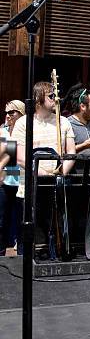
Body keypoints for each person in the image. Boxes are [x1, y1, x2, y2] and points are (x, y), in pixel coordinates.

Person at [12, 81, 76, 253]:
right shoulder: (24, 123)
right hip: (29, 186)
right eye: (51, 96)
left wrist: (61, 172)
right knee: (29, 233)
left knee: (55, 228)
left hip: (56, 185)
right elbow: (19, 157)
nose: (57, 99)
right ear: (39, 99)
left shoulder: (64, 122)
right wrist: (43, 174)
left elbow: (71, 153)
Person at [0, 100, 25, 255]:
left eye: (12, 112)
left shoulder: (24, 132)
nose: (8, 116)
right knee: (2, 218)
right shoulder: (2, 131)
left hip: (20, 180)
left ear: (21, 114)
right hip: (4, 179)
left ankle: (17, 246)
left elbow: (14, 156)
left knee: (19, 218)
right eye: (6, 113)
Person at [67, 87, 90, 172]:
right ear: (82, 106)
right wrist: (84, 146)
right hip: (75, 180)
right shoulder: (67, 125)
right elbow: (62, 152)